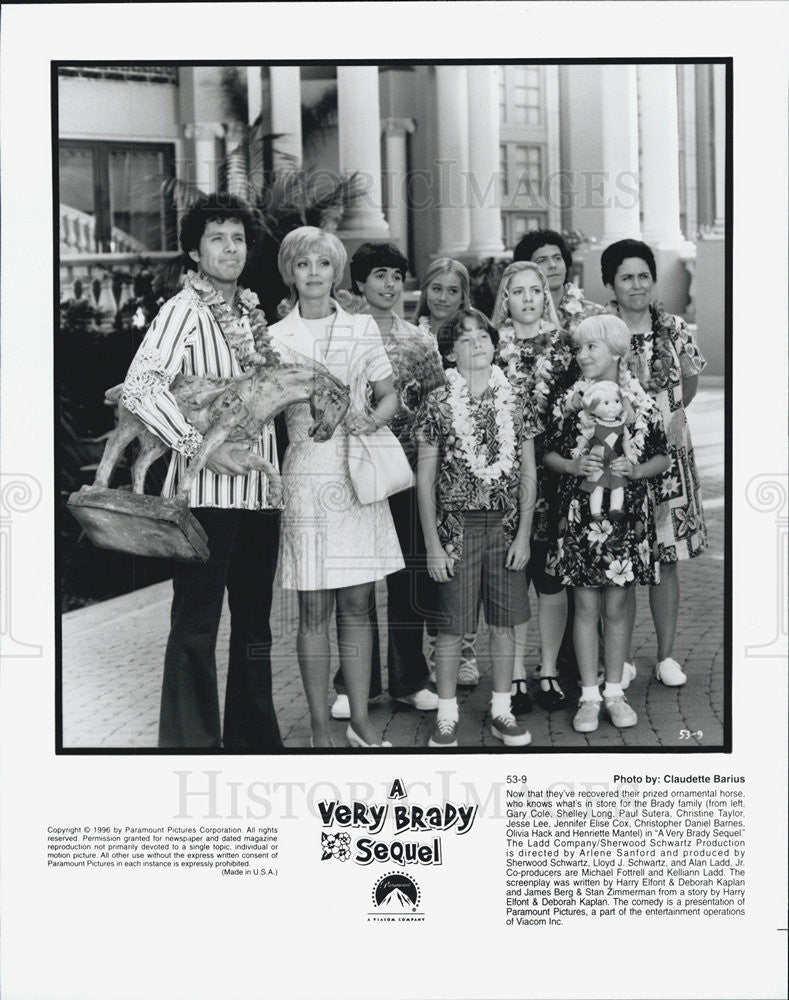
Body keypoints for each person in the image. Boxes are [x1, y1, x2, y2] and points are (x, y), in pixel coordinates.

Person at [121, 194, 282, 749]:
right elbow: (142, 387)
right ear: (195, 250)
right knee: (195, 627)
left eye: (237, 238)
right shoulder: (183, 311)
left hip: (260, 495)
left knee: (255, 627)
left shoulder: (251, 314)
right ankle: (188, 746)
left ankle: (254, 743)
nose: (230, 248)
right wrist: (198, 446)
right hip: (205, 495)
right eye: (217, 238)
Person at [267, 227, 404, 748]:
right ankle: (321, 725)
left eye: (324, 264)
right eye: (304, 265)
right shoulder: (274, 338)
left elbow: (389, 395)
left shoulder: (361, 329)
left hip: (355, 473)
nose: (315, 274)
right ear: (291, 273)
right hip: (304, 474)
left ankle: (362, 722)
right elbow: (263, 410)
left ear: (337, 270)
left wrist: (373, 418)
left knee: (358, 603)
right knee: (313, 611)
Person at [329, 243, 445, 720]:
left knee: (407, 578)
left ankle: (409, 679)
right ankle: (351, 684)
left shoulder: (419, 341)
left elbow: (437, 406)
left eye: (397, 275)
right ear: (359, 283)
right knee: (355, 581)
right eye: (379, 275)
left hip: (408, 474)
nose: (389, 284)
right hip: (353, 470)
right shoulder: (341, 336)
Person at [416, 308, 538, 748]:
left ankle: (501, 708)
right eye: (465, 339)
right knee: (451, 627)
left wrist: (524, 533)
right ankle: (446, 714)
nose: (477, 343)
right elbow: (425, 480)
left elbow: (528, 473)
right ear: (450, 354)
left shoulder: (517, 399)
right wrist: (432, 544)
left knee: (505, 623)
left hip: (505, 528)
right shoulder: (437, 404)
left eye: (483, 335)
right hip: (455, 529)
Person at [543, 315, 670, 734]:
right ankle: (588, 695)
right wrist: (574, 463)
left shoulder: (642, 404)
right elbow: (549, 455)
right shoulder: (568, 401)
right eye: (579, 348)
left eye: (591, 348)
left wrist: (634, 470)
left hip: (625, 516)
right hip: (582, 516)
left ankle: (614, 692)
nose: (582, 356)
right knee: (585, 605)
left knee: (617, 605)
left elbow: (662, 457)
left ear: (616, 352)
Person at [601, 239, 708, 687]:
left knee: (667, 558)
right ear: (610, 283)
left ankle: (666, 657)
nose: (637, 284)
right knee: (620, 559)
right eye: (626, 277)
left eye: (644, 275)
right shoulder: (601, 331)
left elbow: (690, 384)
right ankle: (620, 660)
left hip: (669, 463)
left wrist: (663, 425)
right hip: (618, 463)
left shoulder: (676, 329)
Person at [491, 261, 576, 714]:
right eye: (517, 291)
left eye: (535, 291)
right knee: (511, 578)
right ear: (504, 299)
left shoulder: (564, 349)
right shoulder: (492, 348)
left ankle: (548, 671)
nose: (527, 299)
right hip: (502, 479)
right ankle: (516, 675)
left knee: (550, 576)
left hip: (555, 476)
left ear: (547, 296)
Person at [415, 257, 480, 686]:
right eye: (436, 288)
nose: (443, 297)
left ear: (463, 295)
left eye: (452, 290)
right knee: (428, 560)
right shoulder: (411, 335)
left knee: (466, 562)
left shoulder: (475, 334)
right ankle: (437, 650)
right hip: (418, 456)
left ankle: (466, 652)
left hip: (465, 467)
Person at [513, 228, 607, 334]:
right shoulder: (516, 320)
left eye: (557, 258)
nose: (553, 265)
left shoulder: (596, 315)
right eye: (542, 260)